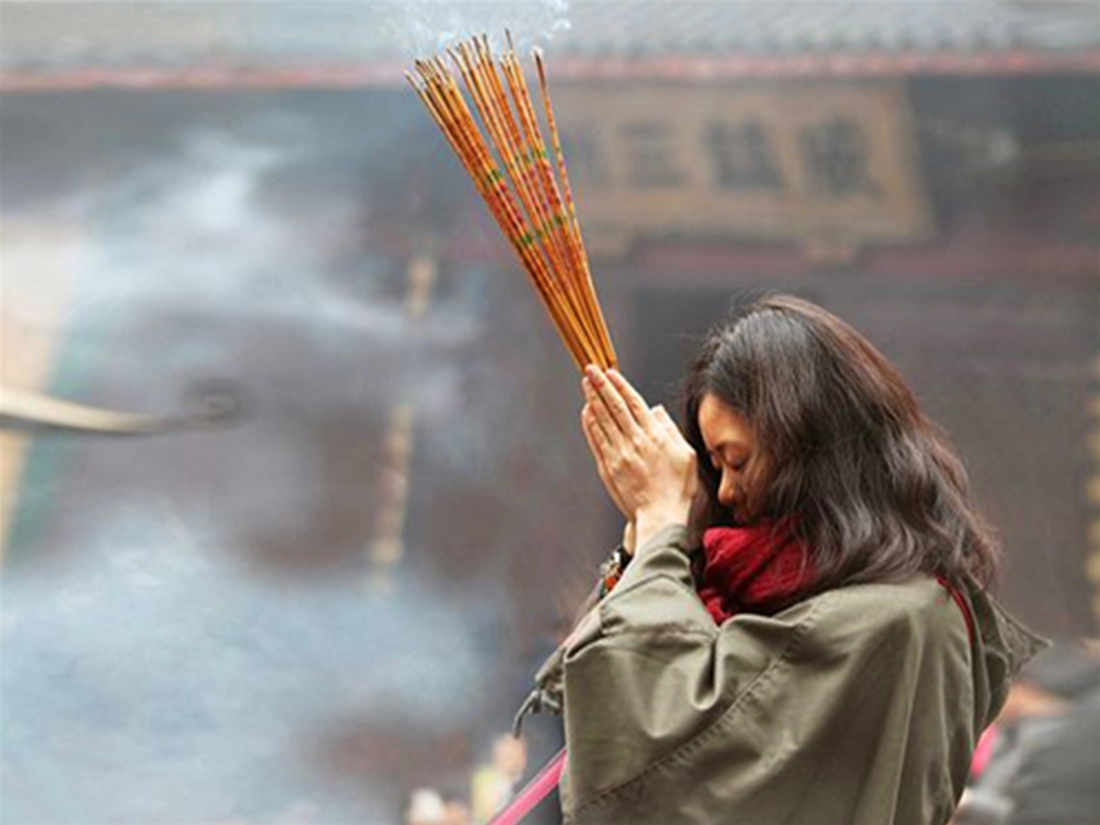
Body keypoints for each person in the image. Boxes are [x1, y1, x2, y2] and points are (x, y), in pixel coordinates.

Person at [516, 295, 1046, 825]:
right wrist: (651, 540)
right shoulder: (778, 589)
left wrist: (661, 525)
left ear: (805, 444)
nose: (724, 491)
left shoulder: (899, 620)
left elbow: (677, 760)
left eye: (737, 460)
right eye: (715, 465)